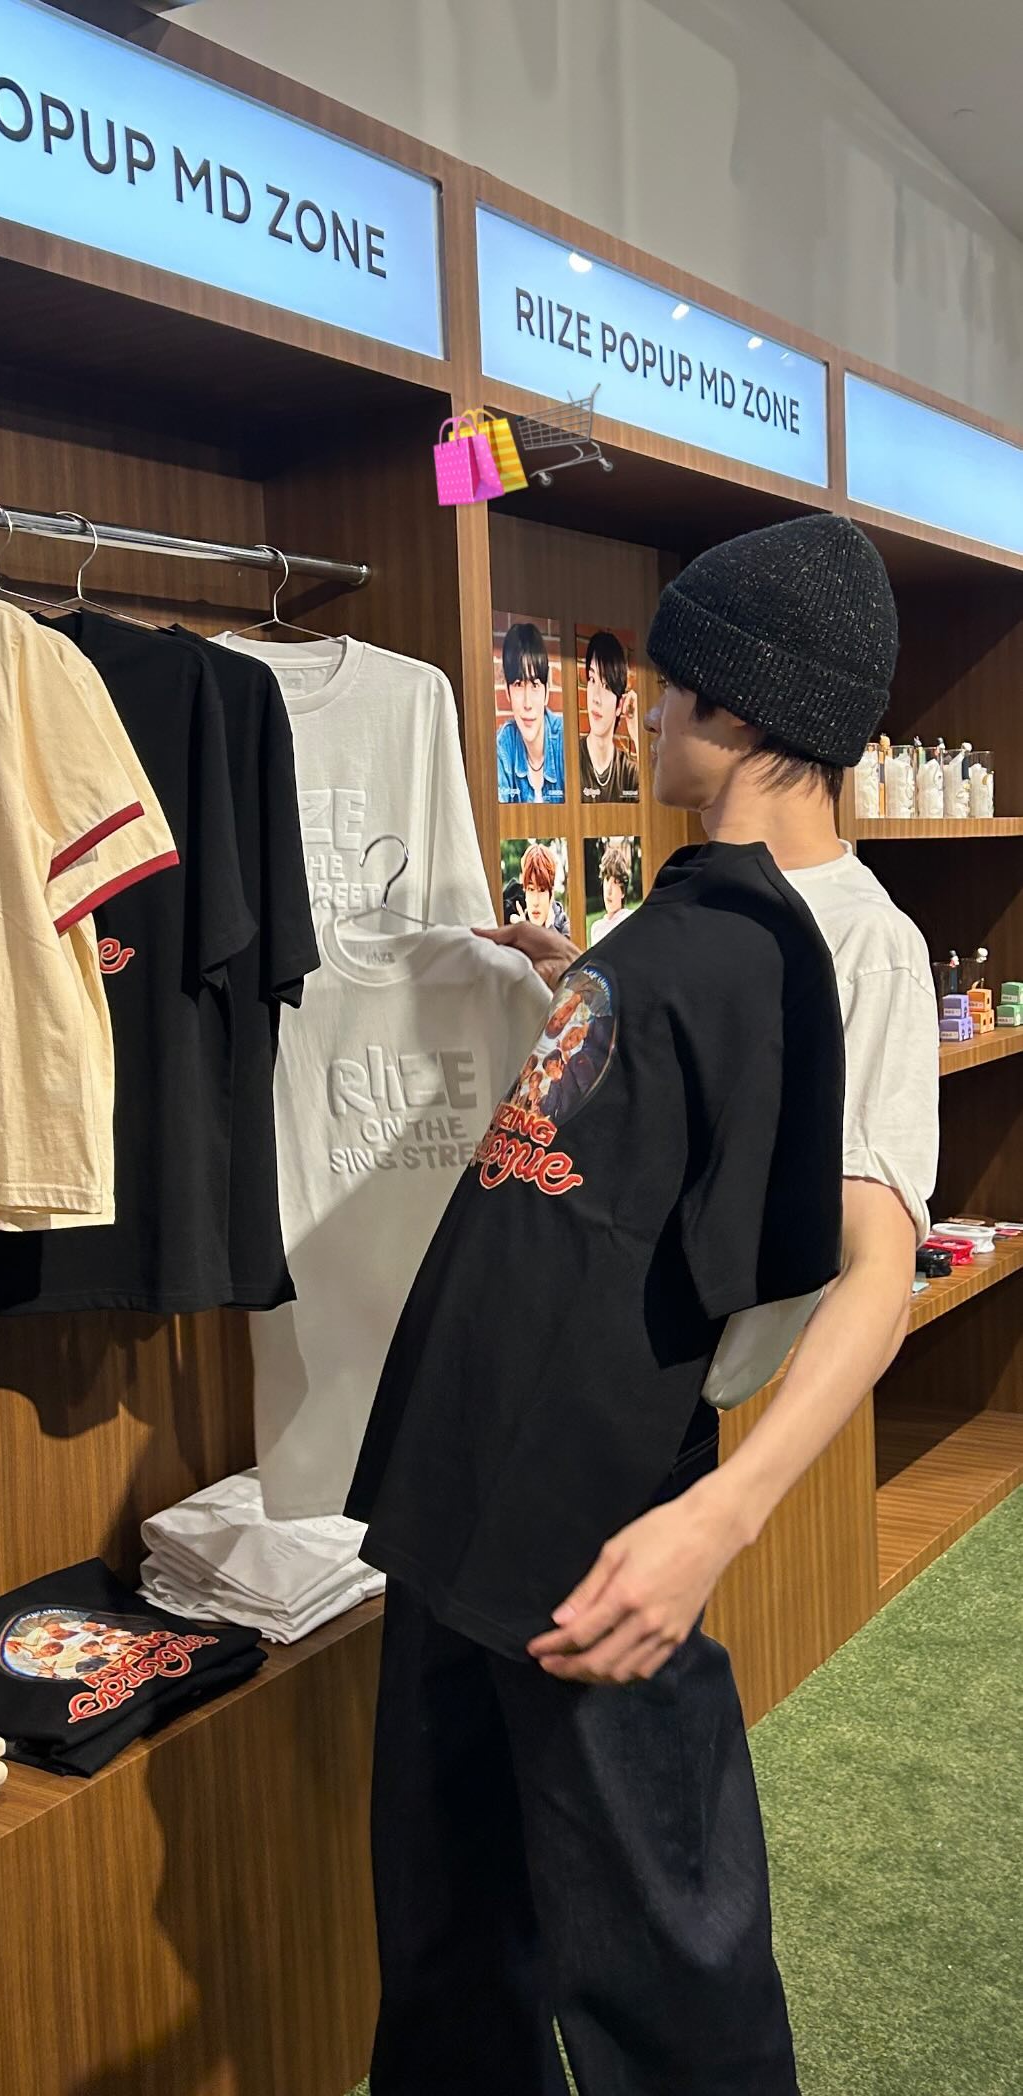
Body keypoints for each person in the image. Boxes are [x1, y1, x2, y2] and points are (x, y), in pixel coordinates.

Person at [347, 513, 939, 2095]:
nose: (649, 720)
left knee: (662, 1953)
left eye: (669, 691)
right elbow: (657, 1116)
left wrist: (717, 1519)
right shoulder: (689, 913)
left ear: (734, 710)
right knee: (448, 1921)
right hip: (469, 1451)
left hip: (609, 1479)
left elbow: (875, 1268)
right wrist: (574, 974)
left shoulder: (858, 947)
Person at [496, 622, 565, 803]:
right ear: (507, 692)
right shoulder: (503, 745)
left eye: (535, 685)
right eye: (518, 684)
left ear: (546, 692)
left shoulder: (564, 740)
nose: (527, 704)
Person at [578, 630, 639, 802]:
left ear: (619, 705)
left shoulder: (629, 773)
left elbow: (655, 806)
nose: (595, 698)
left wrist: (637, 736)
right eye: (592, 679)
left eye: (606, 686)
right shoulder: (569, 760)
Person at [520, 842, 570, 939]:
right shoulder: (518, 926)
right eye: (531, 889)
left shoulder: (566, 930)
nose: (535, 902)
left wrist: (550, 930)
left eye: (542, 890)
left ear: (551, 894)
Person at [589, 840, 635, 943]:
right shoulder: (596, 929)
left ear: (623, 892)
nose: (608, 890)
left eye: (615, 882)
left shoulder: (630, 920)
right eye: (607, 880)